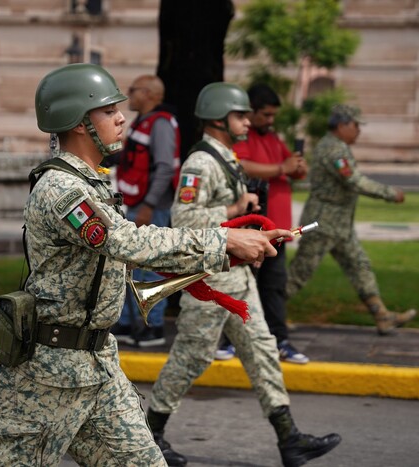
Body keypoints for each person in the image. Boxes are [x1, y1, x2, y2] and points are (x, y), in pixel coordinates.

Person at [0, 63, 291, 466]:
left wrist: (227, 248)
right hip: (45, 376)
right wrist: (223, 239)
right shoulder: (63, 190)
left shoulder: (93, 182)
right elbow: (127, 240)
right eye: (108, 111)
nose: (122, 117)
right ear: (76, 123)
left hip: (98, 370)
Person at [147, 82, 341, 467]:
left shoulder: (227, 157)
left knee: (262, 351)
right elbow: (184, 221)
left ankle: (290, 439)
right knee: (192, 356)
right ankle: (150, 434)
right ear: (219, 119)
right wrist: (238, 205)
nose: (248, 121)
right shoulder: (200, 163)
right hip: (210, 281)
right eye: (240, 115)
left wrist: (248, 218)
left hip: (237, 276)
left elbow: (228, 217)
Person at [286, 104, 417, 335]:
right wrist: (389, 193)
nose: (359, 131)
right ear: (342, 124)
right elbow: (354, 181)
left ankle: (382, 315)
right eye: (356, 125)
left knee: (359, 266)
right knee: (299, 274)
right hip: (322, 223)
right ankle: (264, 315)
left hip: (339, 225)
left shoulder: (337, 147)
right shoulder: (333, 150)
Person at [226, 83, 310, 364]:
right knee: (243, 284)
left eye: (273, 115)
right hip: (253, 229)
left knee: (274, 286)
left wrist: (297, 167)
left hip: (279, 229)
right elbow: (242, 165)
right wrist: (281, 169)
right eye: (266, 114)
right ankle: (230, 340)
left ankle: (280, 339)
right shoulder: (242, 137)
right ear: (251, 112)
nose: (270, 120)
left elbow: (290, 165)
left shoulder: (273, 138)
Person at [111, 75, 180, 347]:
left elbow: (164, 167)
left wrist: (149, 206)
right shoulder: (144, 121)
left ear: (150, 93)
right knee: (129, 265)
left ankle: (154, 326)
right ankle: (127, 323)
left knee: (151, 268)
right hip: (139, 204)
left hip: (152, 207)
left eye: (134, 90)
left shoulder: (160, 124)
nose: (130, 95)